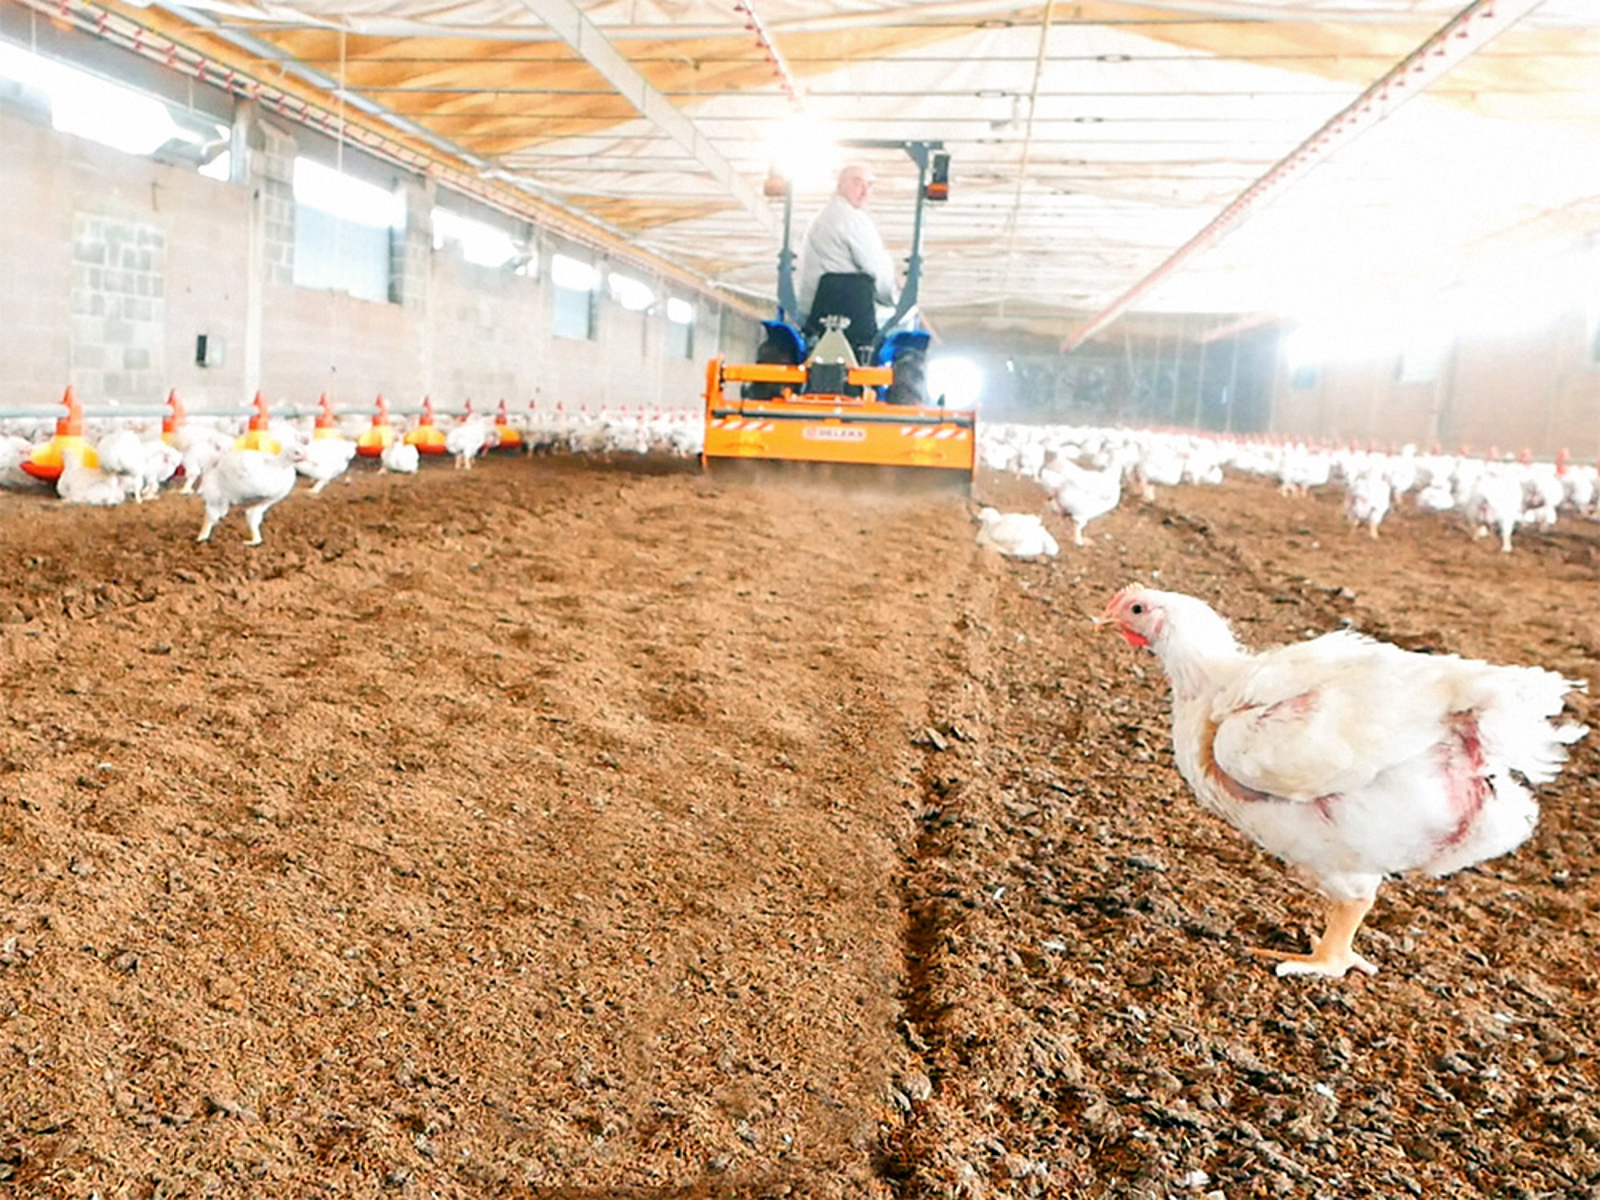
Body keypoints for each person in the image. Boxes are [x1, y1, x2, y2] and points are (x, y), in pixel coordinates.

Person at [797, 164, 900, 348]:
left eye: (869, 185)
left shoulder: (821, 218)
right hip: (850, 314)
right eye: (857, 183)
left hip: (812, 312)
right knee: (903, 317)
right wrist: (896, 295)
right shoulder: (852, 219)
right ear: (840, 184)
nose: (864, 191)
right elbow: (876, 268)